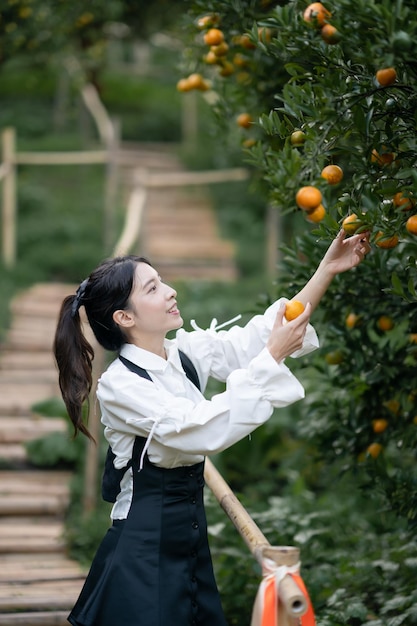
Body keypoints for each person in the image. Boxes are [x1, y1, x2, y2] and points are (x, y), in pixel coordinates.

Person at [53, 229, 370, 626]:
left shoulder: (183, 353)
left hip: (188, 545)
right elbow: (196, 429)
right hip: (142, 552)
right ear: (125, 317)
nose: (170, 291)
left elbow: (257, 339)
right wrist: (272, 355)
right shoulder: (120, 385)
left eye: (162, 280)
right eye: (153, 288)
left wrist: (327, 269)